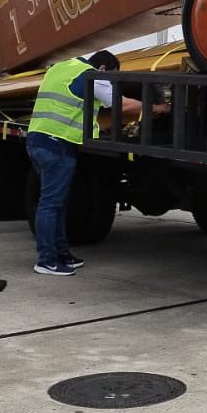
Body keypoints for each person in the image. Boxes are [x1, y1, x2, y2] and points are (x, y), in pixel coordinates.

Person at [26, 49, 151, 277]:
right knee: (51, 204)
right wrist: (158, 107)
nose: (109, 82)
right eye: (111, 78)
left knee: (58, 203)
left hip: (37, 140)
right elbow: (120, 105)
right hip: (58, 145)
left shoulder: (62, 67)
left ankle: (62, 255)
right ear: (103, 69)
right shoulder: (92, 75)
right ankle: (46, 260)